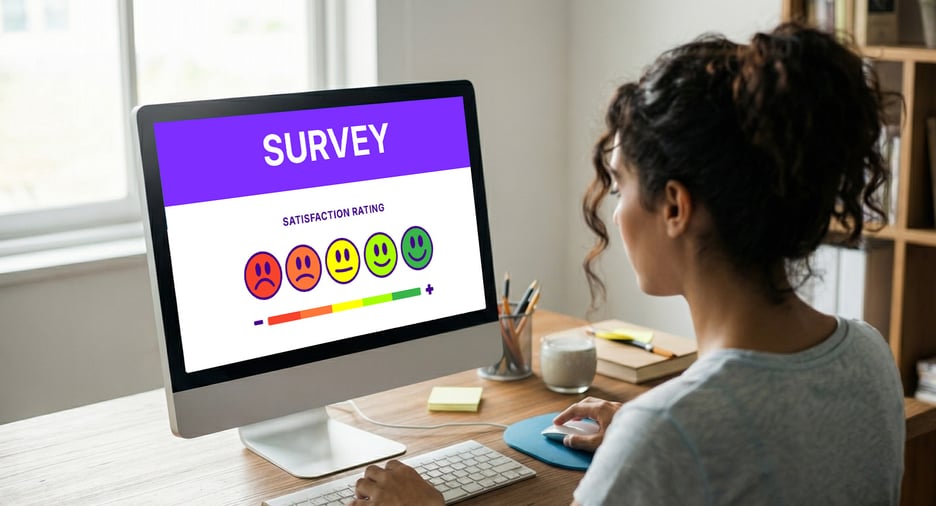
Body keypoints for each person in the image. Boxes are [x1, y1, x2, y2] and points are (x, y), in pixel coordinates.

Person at [348, 22, 905, 505]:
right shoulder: (869, 356)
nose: (614, 215)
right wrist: (642, 445)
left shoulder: (666, 433)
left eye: (621, 186)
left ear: (674, 207)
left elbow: (702, 440)